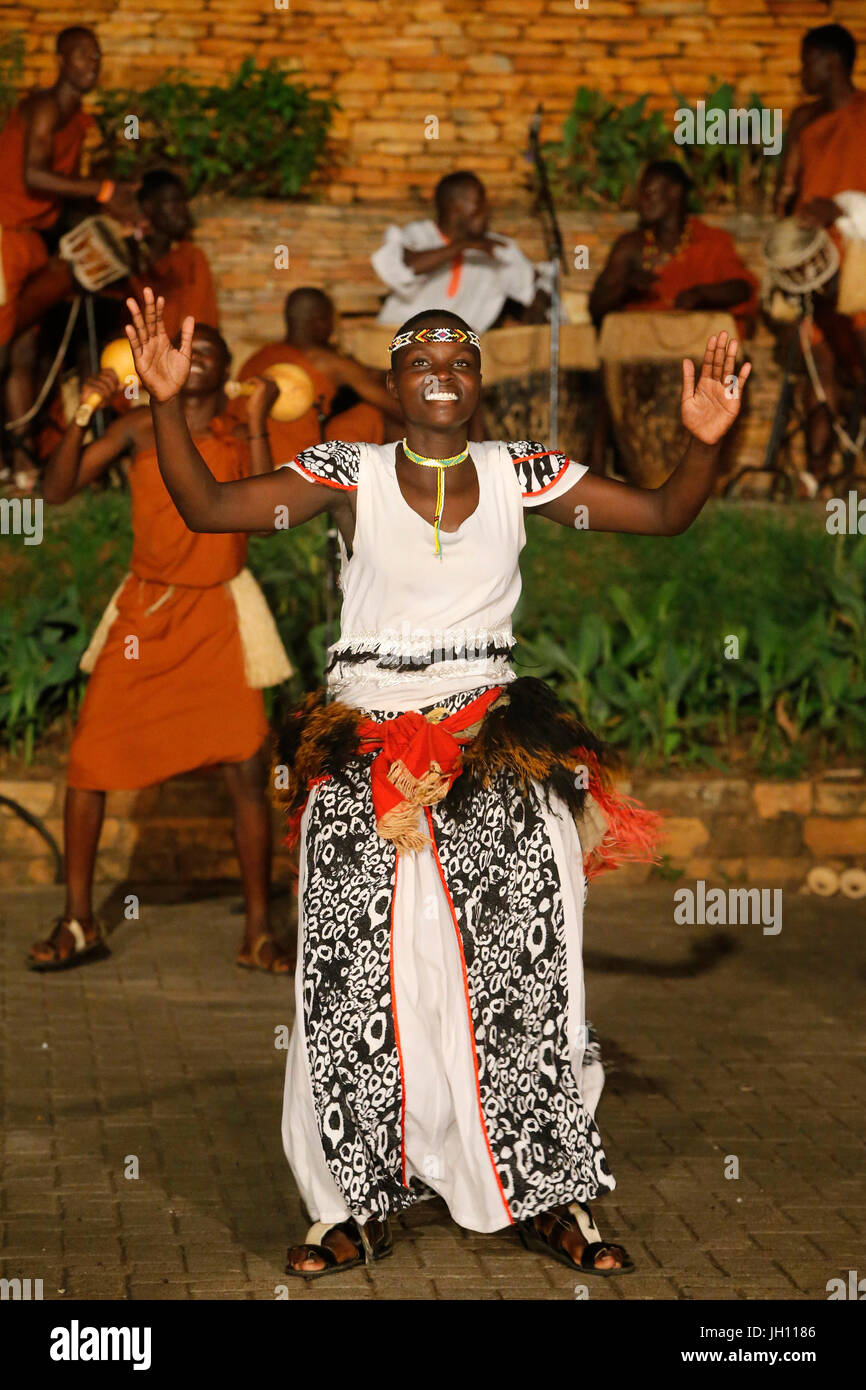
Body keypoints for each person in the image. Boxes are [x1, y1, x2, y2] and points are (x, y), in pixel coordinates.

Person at [123, 286, 749, 1278]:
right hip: (366, 744)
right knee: (349, 980)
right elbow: (208, 505)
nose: (442, 375)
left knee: (524, 973)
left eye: (459, 362)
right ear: (394, 383)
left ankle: (545, 1194)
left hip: (489, 737)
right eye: (421, 362)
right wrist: (162, 400)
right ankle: (350, 1203)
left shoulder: (520, 471)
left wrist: (703, 439)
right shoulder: (349, 470)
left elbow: (667, 513)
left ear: (478, 384)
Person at [27, 323, 294, 976]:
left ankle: (259, 930)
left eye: (209, 351)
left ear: (227, 371)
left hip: (220, 613)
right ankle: (78, 919)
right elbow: (54, 491)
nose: (195, 355)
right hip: (144, 613)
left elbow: (264, 515)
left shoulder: (238, 433)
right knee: (89, 760)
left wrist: (258, 417)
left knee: (244, 771)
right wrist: (86, 410)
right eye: (187, 348)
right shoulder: (137, 429)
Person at [0, 26, 141, 485]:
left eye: (97, 56)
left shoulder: (77, 117)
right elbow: (35, 176)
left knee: (22, 350)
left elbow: (61, 193)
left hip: (31, 240)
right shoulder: (43, 106)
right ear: (62, 59)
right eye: (82, 55)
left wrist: (124, 219)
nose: (91, 64)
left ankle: (22, 466)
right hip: (3, 234)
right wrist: (103, 190)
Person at [774, 23, 866, 479]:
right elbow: (787, 191)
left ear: (831, 63)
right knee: (817, 371)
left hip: (859, 265)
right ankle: (814, 485)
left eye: (806, 61)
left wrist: (841, 205)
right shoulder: (803, 119)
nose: (801, 72)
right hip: (809, 267)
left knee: (858, 366)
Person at [589, 161, 758, 339]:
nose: (641, 203)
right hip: (644, 347)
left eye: (649, 194)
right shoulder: (631, 246)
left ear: (674, 192)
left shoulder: (711, 240)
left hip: (698, 344)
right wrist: (624, 287)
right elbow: (596, 307)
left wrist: (700, 295)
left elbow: (742, 289)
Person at [234, 287, 402, 461]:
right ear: (321, 322)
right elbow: (396, 409)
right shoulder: (326, 362)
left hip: (250, 462)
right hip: (296, 466)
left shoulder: (257, 358)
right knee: (370, 414)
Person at [371, 171, 550, 334]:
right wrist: (464, 245)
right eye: (479, 204)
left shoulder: (496, 250)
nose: (487, 212)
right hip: (397, 339)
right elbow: (406, 268)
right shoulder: (417, 235)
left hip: (456, 353)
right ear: (454, 207)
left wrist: (539, 299)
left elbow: (534, 287)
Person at [129, 170, 219, 340]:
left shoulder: (190, 257)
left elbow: (199, 321)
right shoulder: (126, 254)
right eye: (173, 202)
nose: (182, 211)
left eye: (183, 202)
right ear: (149, 206)